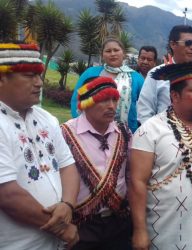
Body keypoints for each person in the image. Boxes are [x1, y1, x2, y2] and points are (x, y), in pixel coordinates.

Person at [129, 60, 192, 249]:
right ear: (174, 96)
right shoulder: (150, 130)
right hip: (164, 228)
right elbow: (137, 182)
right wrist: (140, 230)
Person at [0, 42, 80, 249]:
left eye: (39, 75)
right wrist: (62, 227)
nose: (39, 83)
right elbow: (7, 195)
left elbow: (68, 166)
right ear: (2, 78)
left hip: (53, 242)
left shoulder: (47, 119)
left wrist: (68, 204)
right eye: (29, 76)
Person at [61, 76, 132, 250]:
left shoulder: (123, 131)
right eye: (103, 99)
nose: (111, 106)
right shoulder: (64, 134)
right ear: (86, 103)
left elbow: (131, 173)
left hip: (118, 222)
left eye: (114, 99)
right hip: (80, 224)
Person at [137, 25, 192, 124]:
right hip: (164, 134)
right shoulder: (157, 74)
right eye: (188, 43)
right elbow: (144, 111)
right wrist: (156, 134)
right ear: (173, 44)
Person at [70, 37, 144, 133]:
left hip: (127, 133)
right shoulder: (91, 73)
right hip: (91, 130)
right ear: (102, 55)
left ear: (123, 53)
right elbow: (77, 100)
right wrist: (81, 123)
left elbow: (145, 105)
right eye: (108, 51)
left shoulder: (136, 78)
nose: (112, 54)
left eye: (116, 50)